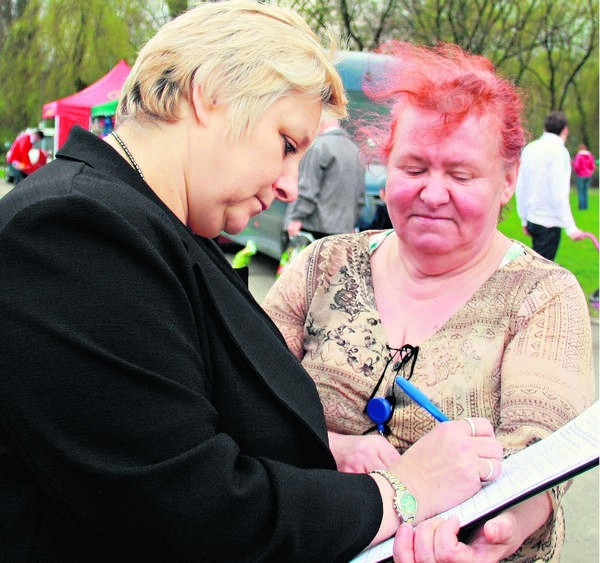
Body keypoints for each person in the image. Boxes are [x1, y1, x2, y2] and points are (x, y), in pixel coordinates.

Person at [0, 4, 504, 561]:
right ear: (208, 92)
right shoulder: (74, 231)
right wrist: (402, 493)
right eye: (287, 144)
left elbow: (170, 418)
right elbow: (181, 509)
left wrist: (323, 454)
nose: (290, 184)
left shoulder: (153, 223)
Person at [263, 41, 594, 562]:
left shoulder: (541, 297)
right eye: (414, 169)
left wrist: (498, 531)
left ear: (508, 180)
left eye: (461, 176)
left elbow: (542, 457)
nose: (433, 194)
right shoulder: (320, 266)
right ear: (386, 164)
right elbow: (244, 399)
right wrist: (337, 447)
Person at [515, 111, 585, 260]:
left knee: (536, 268)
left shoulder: (530, 149)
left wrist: (524, 218)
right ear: (565, 130)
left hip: (533, 219)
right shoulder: (560, 152)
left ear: (545, 128)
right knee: (540, 274)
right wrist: (571, 228)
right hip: (548, 223)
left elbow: (520, 185)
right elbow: (559, 193)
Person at [284, 115, 365, 240]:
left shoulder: (319, 146)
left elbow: (307, 188)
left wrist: (296, 218)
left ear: (319, 122)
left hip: (314, 228)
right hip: (344, 231)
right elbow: (360, 199)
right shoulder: (356, 151)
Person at [572, 143, 596, 210]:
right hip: (588, 175)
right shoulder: (590, 155)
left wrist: (577, 172)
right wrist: (591, 172)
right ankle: (585, 206)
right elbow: (593, 166)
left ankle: (581, 207)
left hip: (581, 175)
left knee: (580, 191)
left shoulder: (579, 156)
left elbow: (576, 166)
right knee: (585, 191)